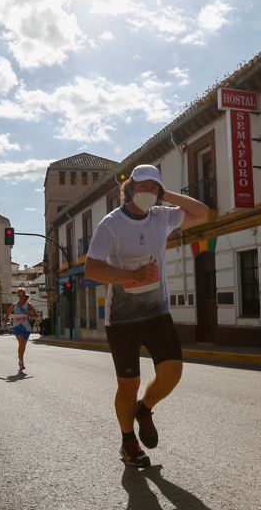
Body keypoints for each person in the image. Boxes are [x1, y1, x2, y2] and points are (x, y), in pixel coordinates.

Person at [84, 163, 209, 468]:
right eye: (143, 186)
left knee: (172, 373)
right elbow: (92, 268)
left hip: (157, 313)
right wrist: (133, 275)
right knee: (128, 383)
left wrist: (166, 195)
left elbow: (202, 213)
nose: (148, 191)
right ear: (129, 189)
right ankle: (128, 442)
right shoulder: (111, 224)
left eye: (154, 187)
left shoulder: (162, 217)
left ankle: (144, 408)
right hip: (122, 319)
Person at [12, 287, 39, 372]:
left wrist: (29, 315)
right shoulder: (14, 305)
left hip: (27, 327)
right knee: (21, 343)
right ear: (17, 295)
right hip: (17, 326)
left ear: (24, 295)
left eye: (22, 295)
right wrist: (5, 322)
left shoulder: (28, 305)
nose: (20, 296)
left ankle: (21, 359)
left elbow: (36, 316)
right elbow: (8, 312)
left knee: (23, 346)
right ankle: (21, 362)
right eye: (19, 295)